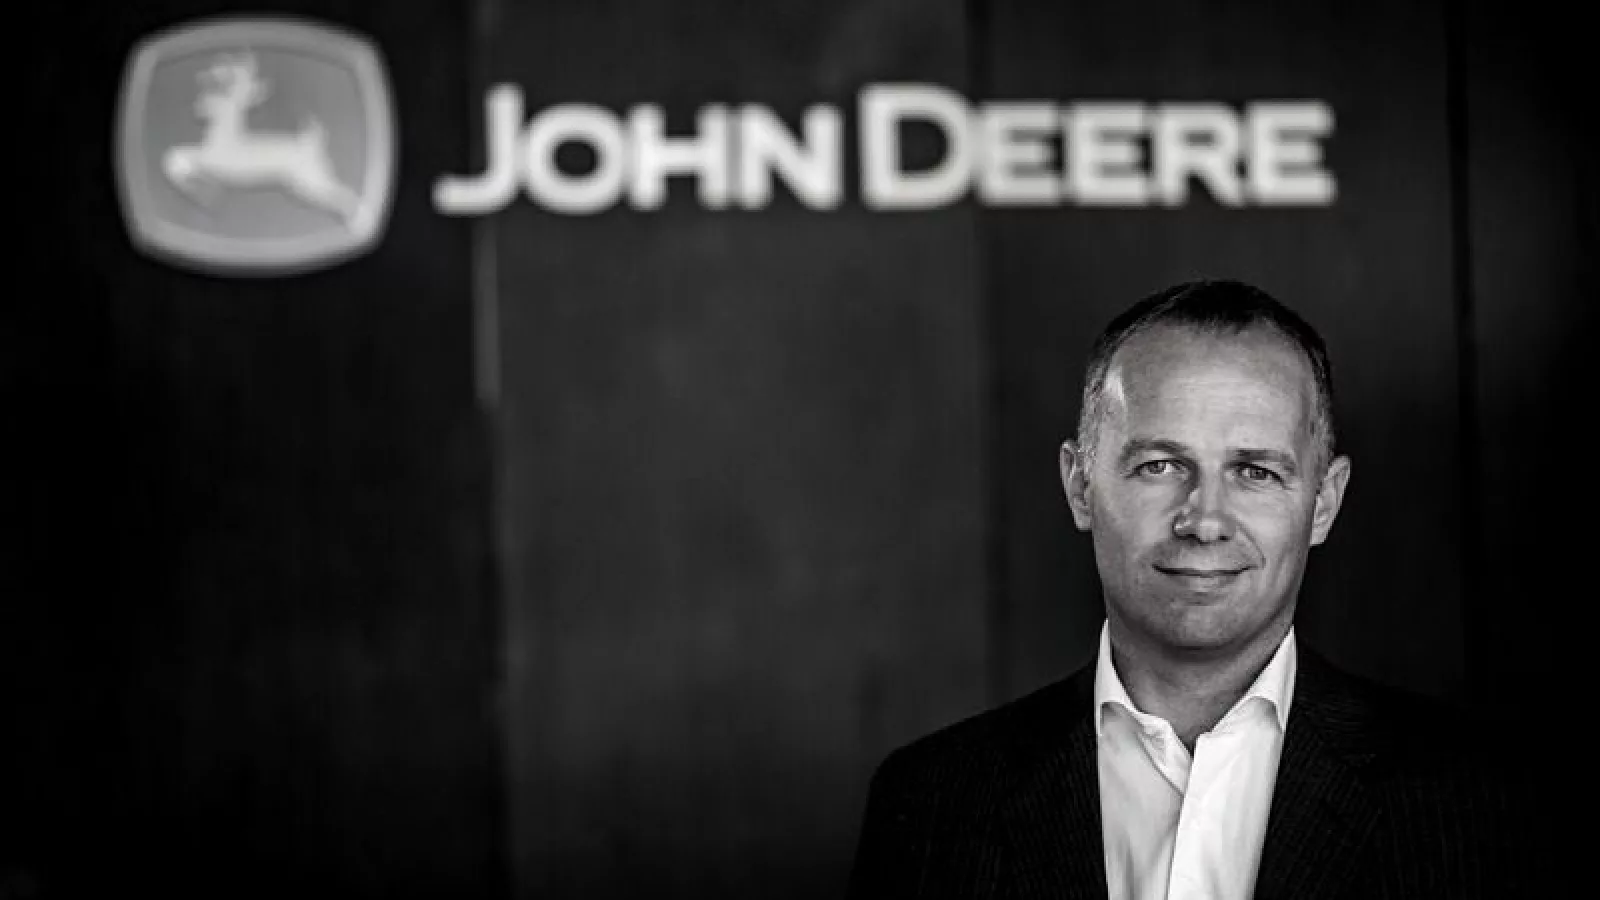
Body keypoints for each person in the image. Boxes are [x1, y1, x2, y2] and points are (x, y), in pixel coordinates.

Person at [845, 279, 1553, 899]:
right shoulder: (933, 807)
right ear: (1080, 486)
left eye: (1255, 472)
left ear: (1325, 503)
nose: (1204, 520)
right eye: (1159, 465)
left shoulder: (1481, 804)